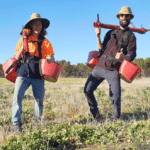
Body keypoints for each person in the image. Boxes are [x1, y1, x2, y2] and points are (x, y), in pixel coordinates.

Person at [84, 6, 136, 122]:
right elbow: (101, 48)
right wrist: (97, 36)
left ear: (130, 18)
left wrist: (123, 57)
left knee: (116, 97)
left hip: (114, 70)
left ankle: (115, 120)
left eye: (127, 15)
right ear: (119, 17)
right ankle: (96, 116)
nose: (124, 17)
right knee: (87, 90)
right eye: (122, 15)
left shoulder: (131, 36)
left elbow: (132, 55)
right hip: (100, 66)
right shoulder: (110, 32)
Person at [12, 13, 55, 131]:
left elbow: (51, 58)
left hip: (38, 74)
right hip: (23, 72)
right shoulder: (23, 40)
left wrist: (50, 59)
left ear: (42, 26)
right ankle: (16, 124)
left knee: (39, 100)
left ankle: (37, 122)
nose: (38, 26)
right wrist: (23, 42)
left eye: (40, 24)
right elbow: (16, 56)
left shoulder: (45, 42)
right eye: (35, 24)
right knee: (17, 98)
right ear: (31, 25)